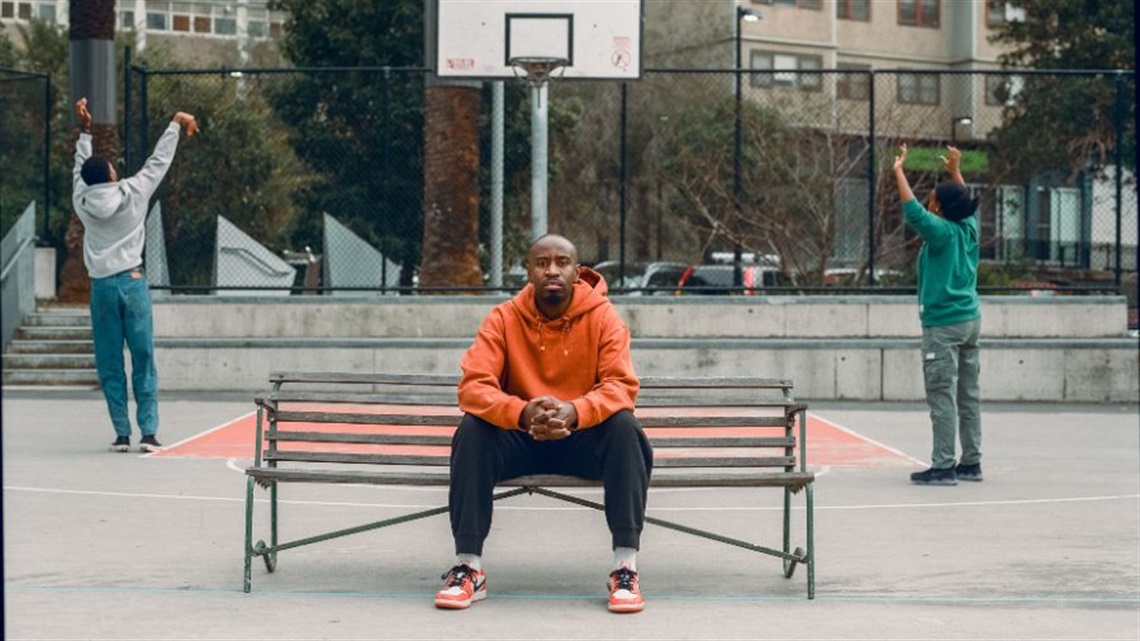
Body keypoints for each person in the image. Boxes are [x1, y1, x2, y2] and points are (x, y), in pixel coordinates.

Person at [436, 234, 653, 613]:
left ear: (577, 271)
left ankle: (625, 567)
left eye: (561, 262)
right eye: (542, 262)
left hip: (580, 441)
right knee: (473, 429)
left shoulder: (604, 318)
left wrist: (574, 411)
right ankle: (469, 566)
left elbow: (622, 387)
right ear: (529, 271)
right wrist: (521, 412)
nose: (552, 269)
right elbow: (473, 386)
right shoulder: (503, 318)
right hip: (521, 439)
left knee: (625, 429)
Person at [72, 96, 198, 453]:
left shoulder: (81, 201)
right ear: (112, 175)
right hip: (133, 282)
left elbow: (80, 167)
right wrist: (175, 121)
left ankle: (122, 435)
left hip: (101, 290)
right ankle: (149, 433)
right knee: (143, 359)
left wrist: (85, 132)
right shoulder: (133, 190)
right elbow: (159, 161)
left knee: (111, 364)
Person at [892, 143, 983, 486]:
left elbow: (913, 211)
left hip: (943, 326)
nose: (930, 203)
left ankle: (944, 466)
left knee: (942, 395)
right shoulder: (969, 227)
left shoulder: (942, 233)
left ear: (940, 208)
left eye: (935, 200)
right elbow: (964, 203)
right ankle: (971, 462)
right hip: (970, 321)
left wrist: (899, 171)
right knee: (968, 395)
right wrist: (955, 170)